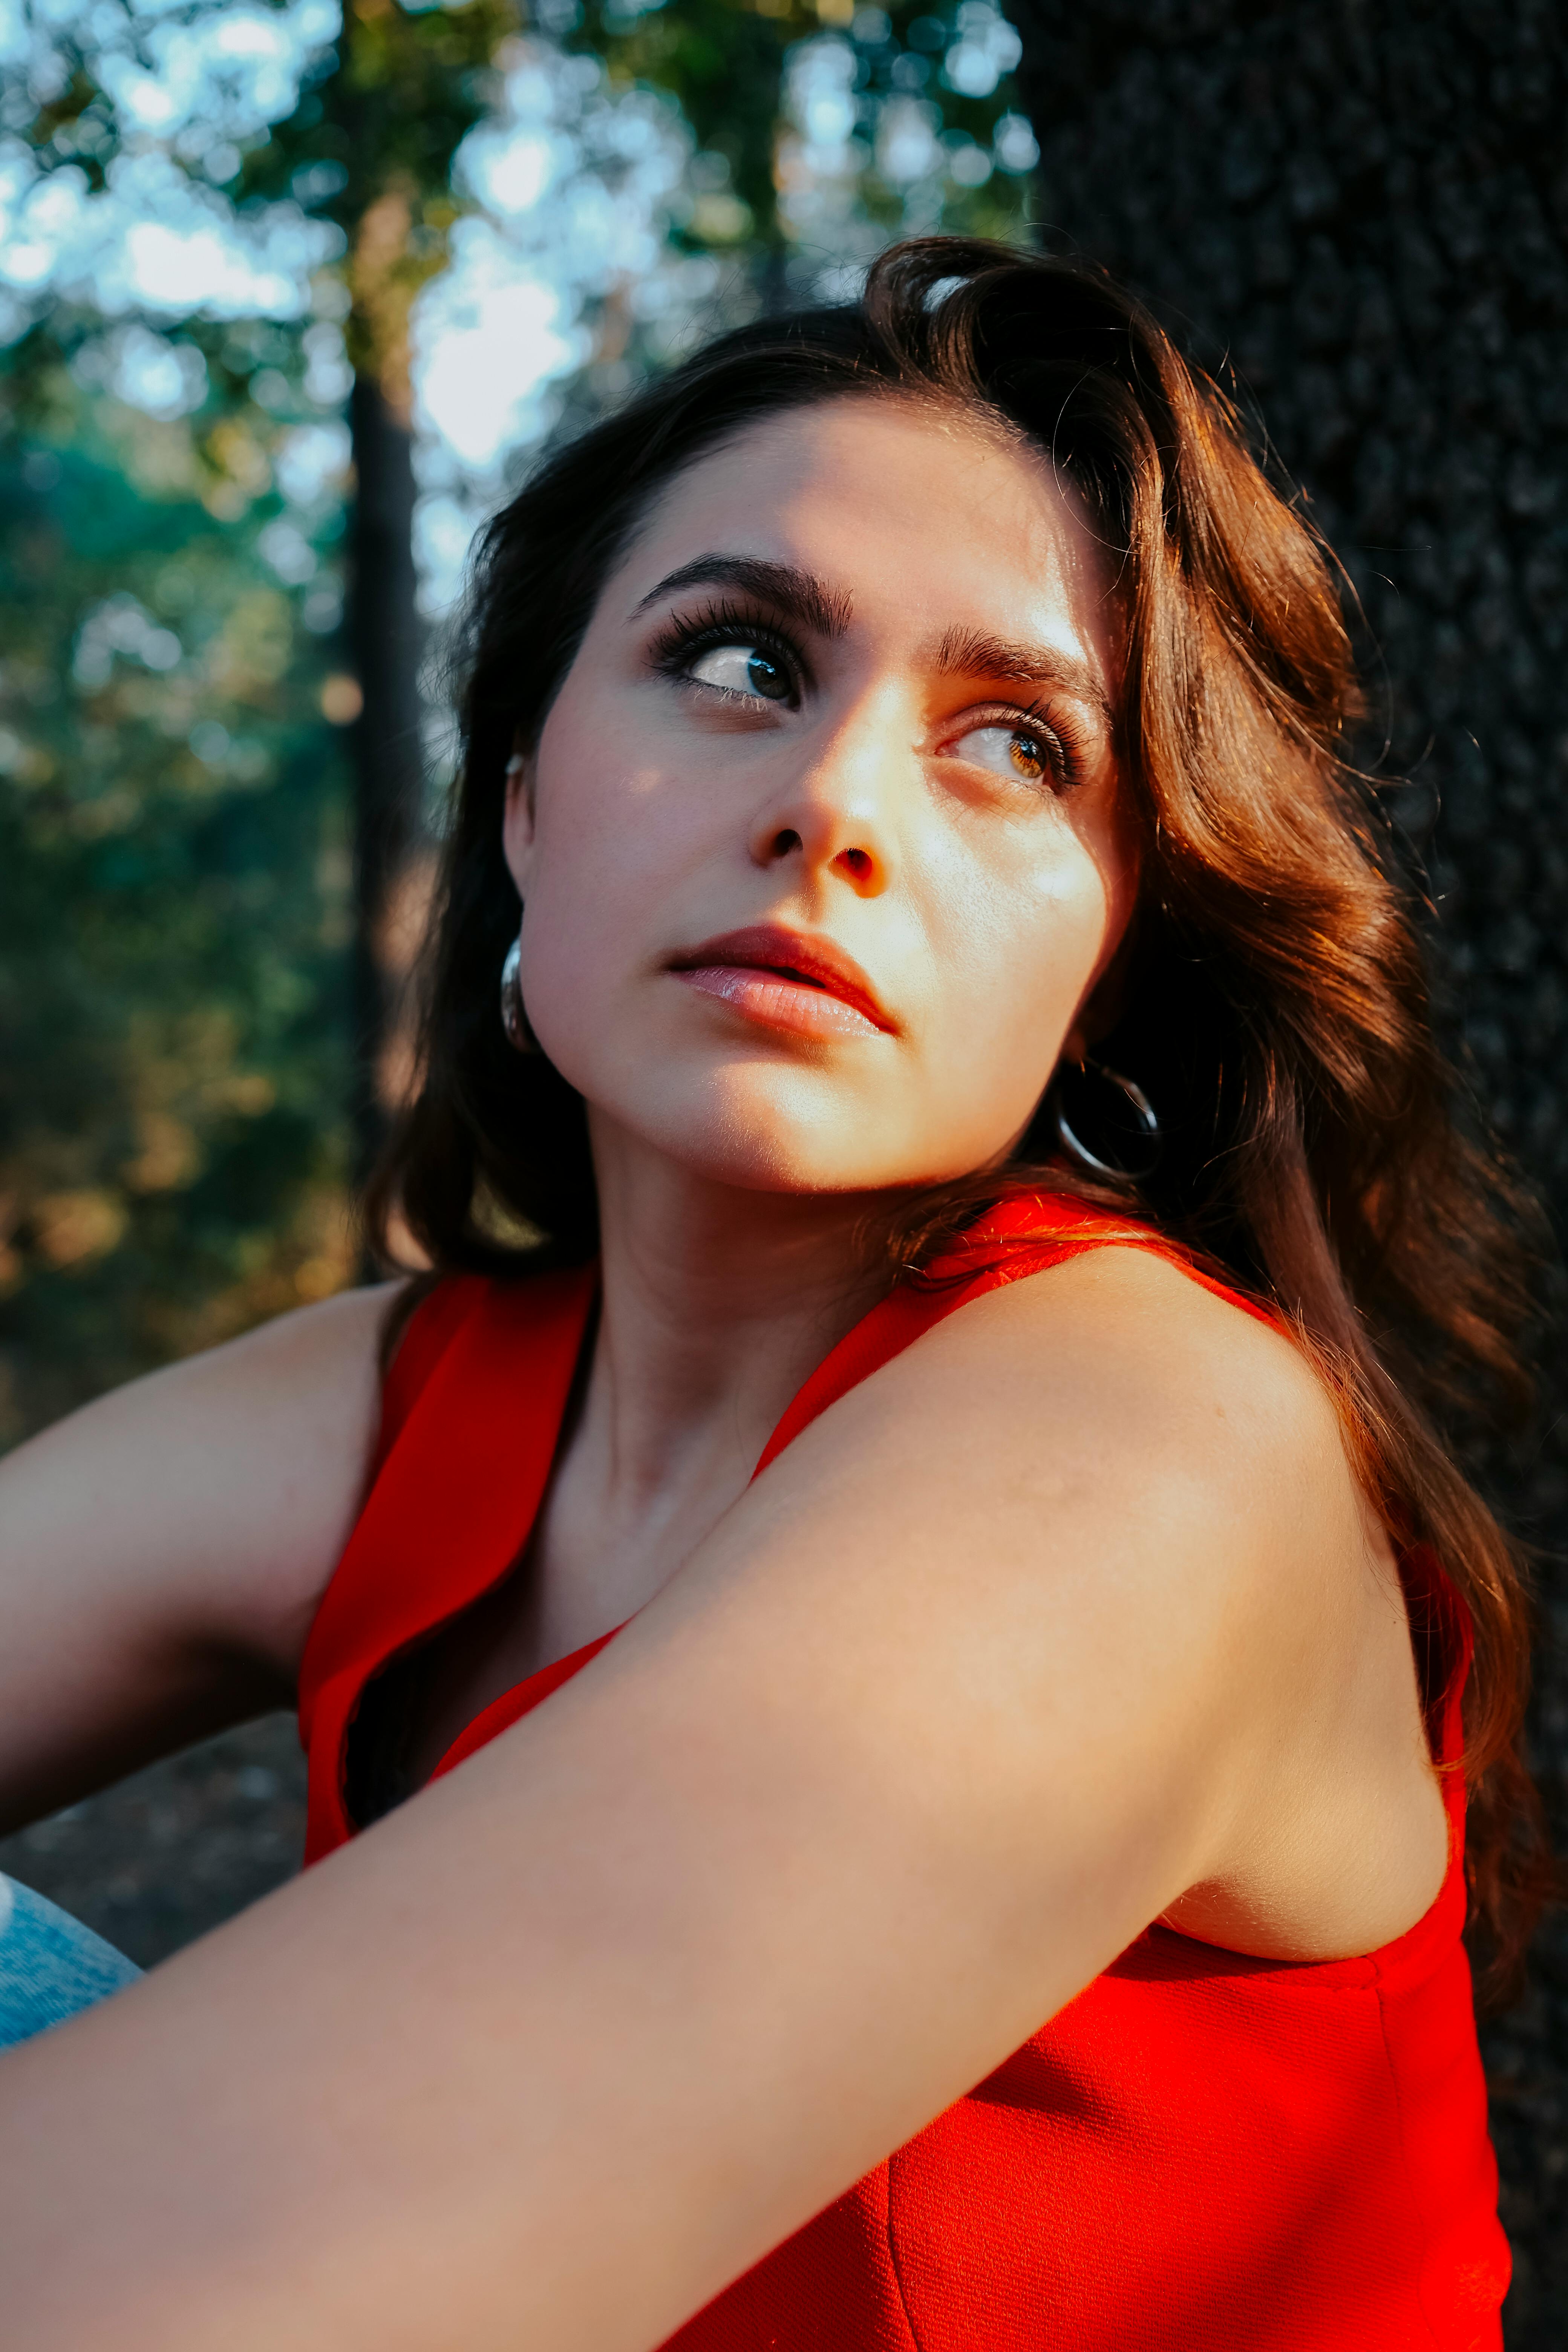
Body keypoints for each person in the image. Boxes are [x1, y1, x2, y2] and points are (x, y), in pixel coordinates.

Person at [0, 236, 1550, 2349]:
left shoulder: (1157, 1451)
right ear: (530, 808)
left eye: (1016, 744)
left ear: (1112, 959)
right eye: (737, 663)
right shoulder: (420, 1397)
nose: (831, 808)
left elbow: (176, 2296)